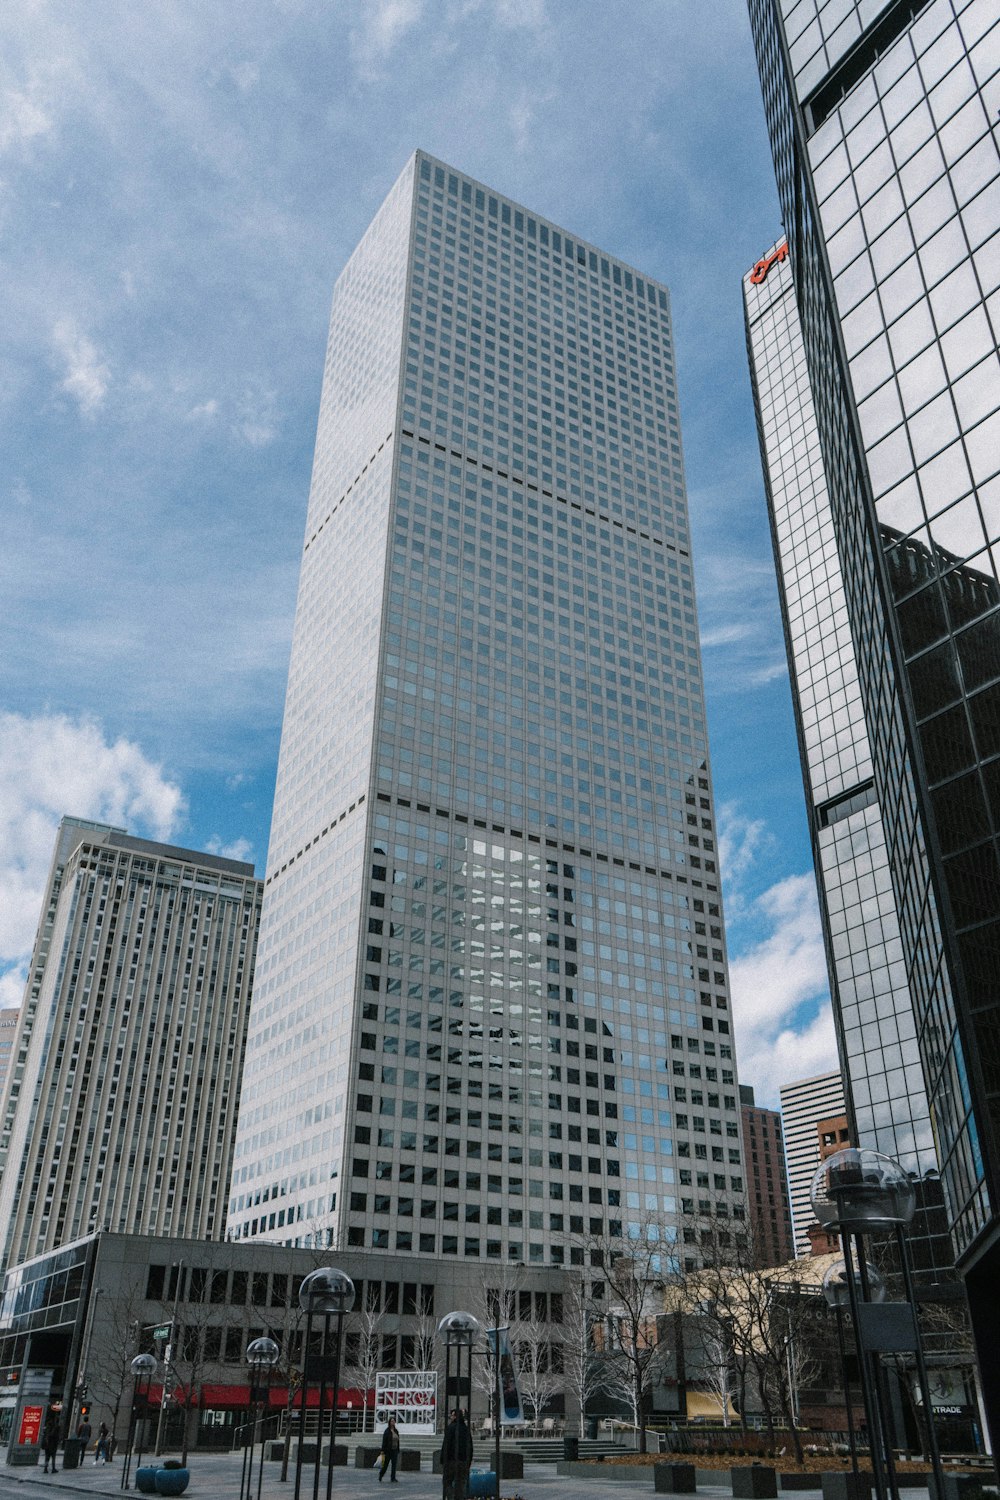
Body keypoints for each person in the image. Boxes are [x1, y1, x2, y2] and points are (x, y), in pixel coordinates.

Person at [440, 1409, 473, 1500]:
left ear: (455, 1416)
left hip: (451, 1460)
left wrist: (443, 1459)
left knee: (447, 1482)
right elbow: (470, 1446)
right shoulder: (466, 1429)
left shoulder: (451, 1428)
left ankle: (451, 1497)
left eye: (452, 1415)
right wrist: (469, 1461)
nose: (450, 1417)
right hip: (463, 1461)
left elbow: (446, 1444)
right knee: (460, 1484)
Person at [379, 1416, 400, 1483]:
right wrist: (383, 1450)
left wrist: (398, 1449)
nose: (393, 1422)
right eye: (391, 1421)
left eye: (393, 1421)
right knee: (385, 1464)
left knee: (394, 1465)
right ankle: (381, 1474)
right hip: (388, 1450)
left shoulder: (396, 1431)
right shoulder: (387, 1431)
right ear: (389, 1422)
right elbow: (384, 1441)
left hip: (395, 1450)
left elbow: (398, 1441)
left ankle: (393, 1478)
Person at [42, 1409, 60, 1474]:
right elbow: (55, 1436)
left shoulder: (47, 1427)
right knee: (53, 1457)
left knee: (47, 1457)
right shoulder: (55, 1427)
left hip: (47, 1444)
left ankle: (45, 1468)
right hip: (52, 1444)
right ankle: (53, 1468)